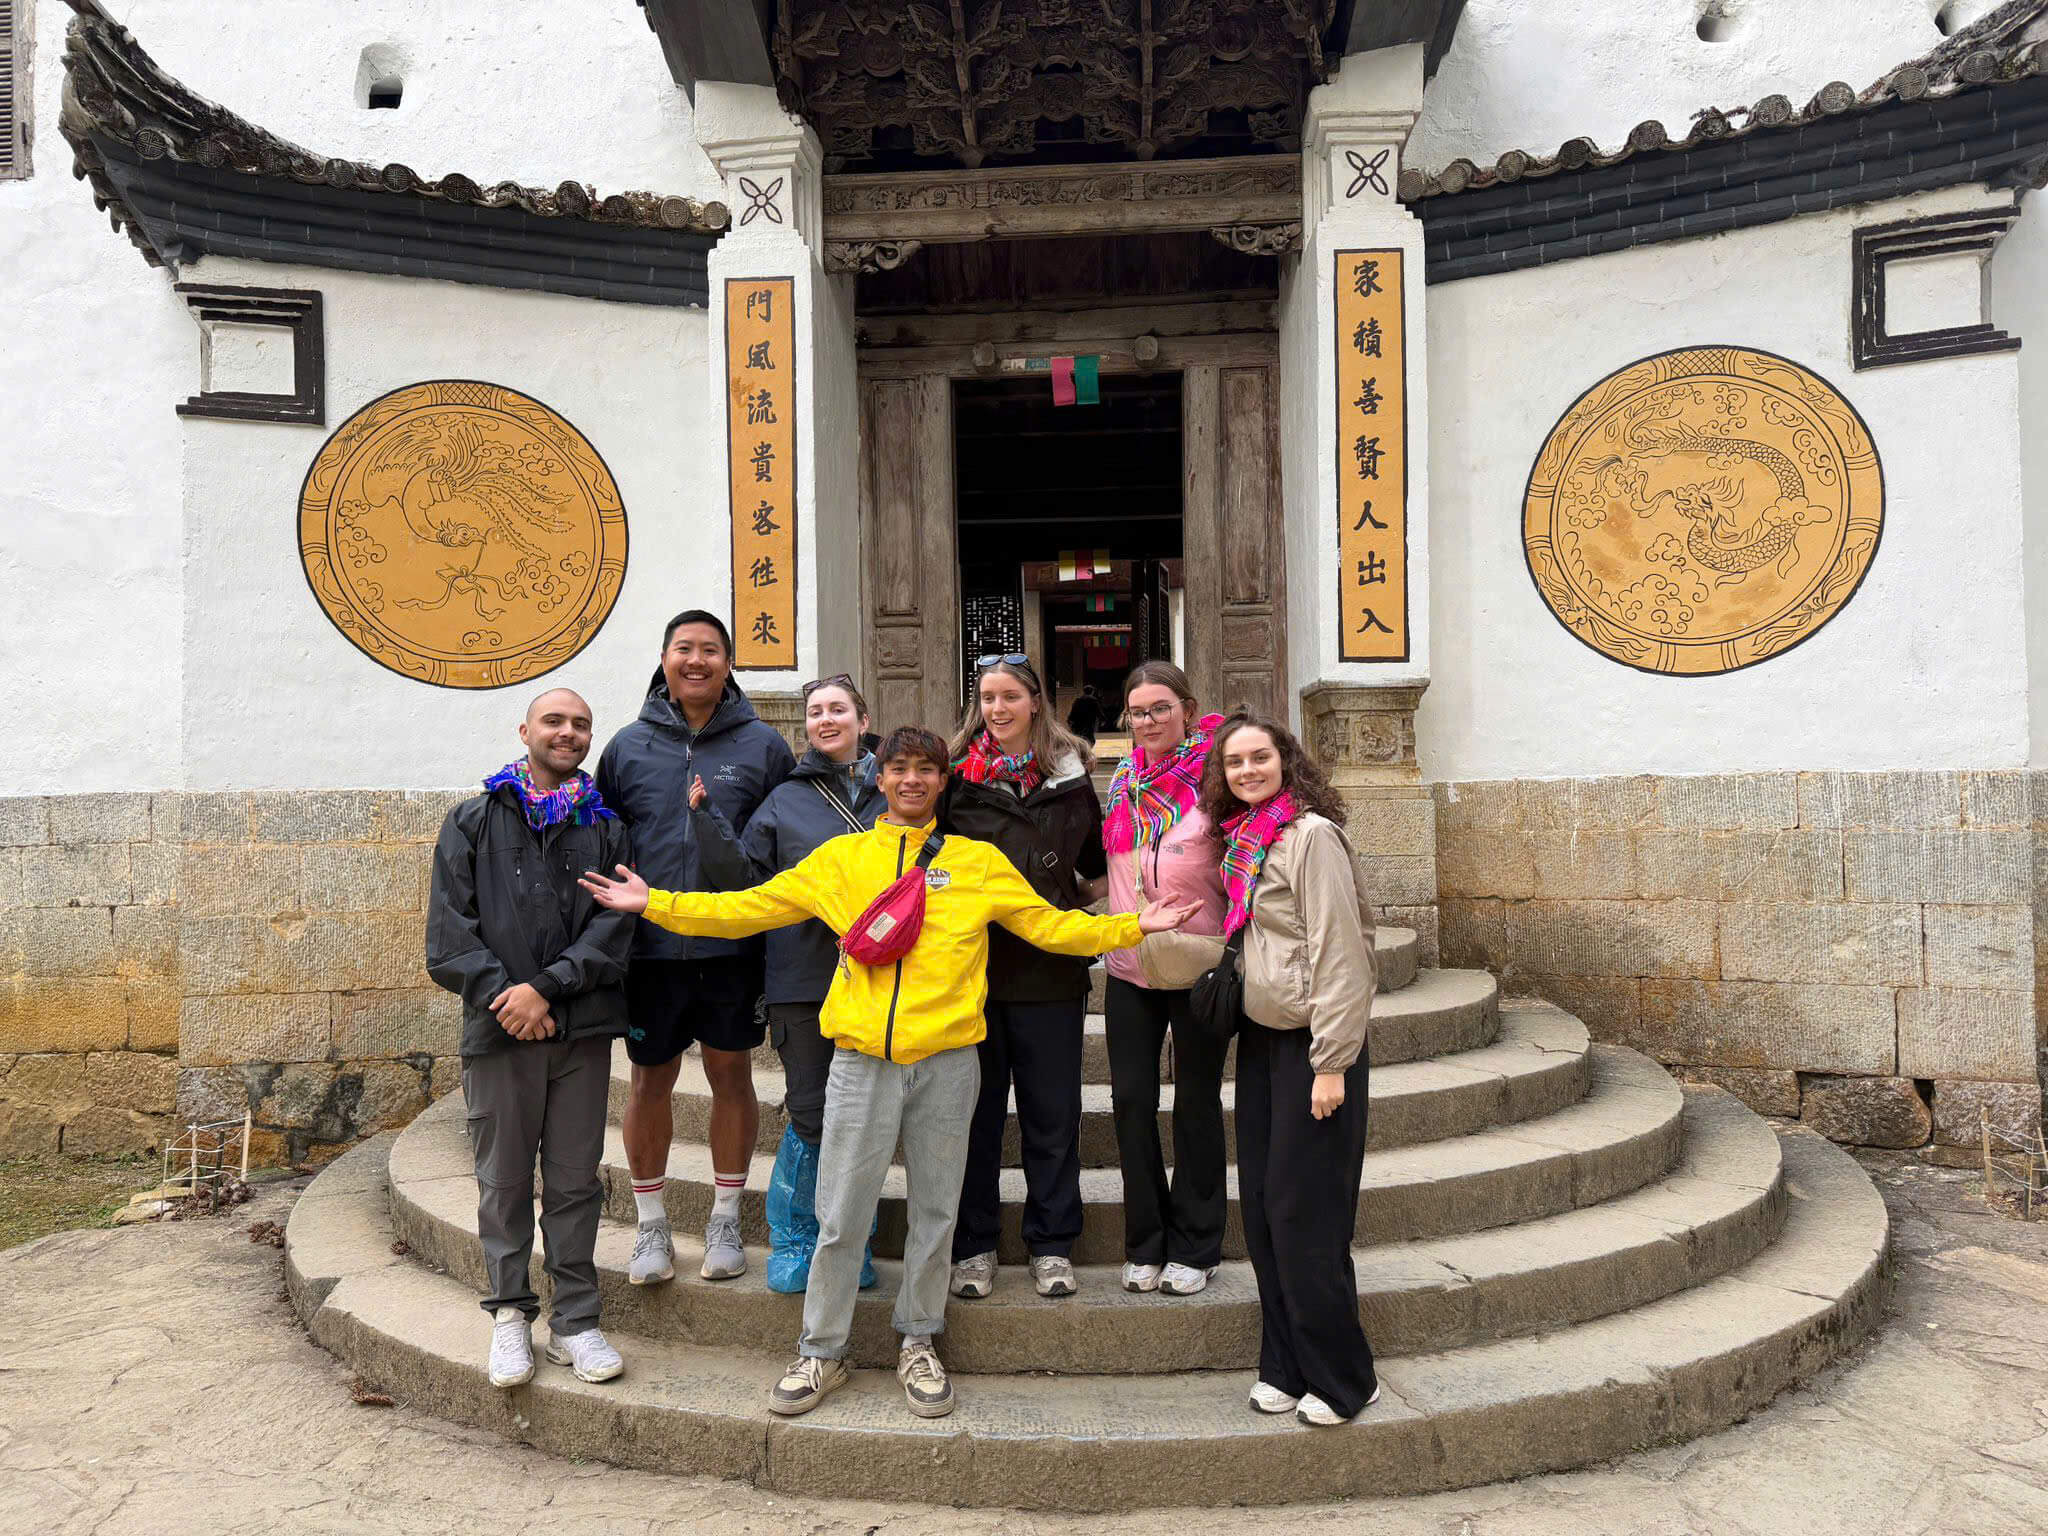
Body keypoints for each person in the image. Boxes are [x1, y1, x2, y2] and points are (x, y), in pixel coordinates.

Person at [580, 726, 1199, 1421]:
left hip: (948, 1061)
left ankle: (919, 1341)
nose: (911, 780)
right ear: (880, 778)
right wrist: (655, 903)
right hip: (860, 1062)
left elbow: (1051, 927)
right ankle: (822, 1348)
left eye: (926, 770)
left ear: (943, 782)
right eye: (899, 768)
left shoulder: (977, 861)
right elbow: (746, 909)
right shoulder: (841, 860)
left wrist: (1132, 926)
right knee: (842, 1214)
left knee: (937, 1213)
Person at [1142, 710, 1381, 1428]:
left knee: (1307, 1216)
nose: (1247, 770)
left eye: (1260, 758)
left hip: (1315, 1048)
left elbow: (1343, 949)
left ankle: (1343, 1376)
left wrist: (1333, 1063)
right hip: (1266, 1041)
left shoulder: (1310, 837)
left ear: (1288, 762)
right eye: (1235, 762)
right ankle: (1284, 1362)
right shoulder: (1249, 838)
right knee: (1270, 1216)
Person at [425, 688, 635, 1390]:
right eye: (555, 721)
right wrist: (506, 996)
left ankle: (575, 1321)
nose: (568, 732)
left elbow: (617, 928)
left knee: (575, 1183)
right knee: (505, 1181)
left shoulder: (607, 826)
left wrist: (547, 988)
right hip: (500, 1033)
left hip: (581, 1030)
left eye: (581, 723)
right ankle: (511, 1314)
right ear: (526, 731)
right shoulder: (473, 821)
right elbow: (449, 937)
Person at [594, 610, 795, 1288]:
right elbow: (602, 840)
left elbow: (782, 845)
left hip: (733, 944)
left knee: (731, 1075)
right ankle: (651, 1226)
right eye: (685, 648)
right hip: (649, 947)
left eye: (711, 650)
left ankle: (726, 1218)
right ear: (664, 657)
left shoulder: (765, 746)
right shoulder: (626, 747)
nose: (697, 660)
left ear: (729, 664)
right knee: (650, 1080)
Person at [692, 673, 884, 1293]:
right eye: (815, 713)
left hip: (886, 980)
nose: (825, 720)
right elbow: (748, 880)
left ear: (861, 717)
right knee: (810, 1112)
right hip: (804, 978)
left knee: (868, 1118)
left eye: (837, 710)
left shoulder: (899, 788)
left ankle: (853, 1244)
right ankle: (798, 1238)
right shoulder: (785, 799)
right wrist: (709, 823)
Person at [941, 655, 1106, 1301]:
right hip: (972, 977)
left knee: (1052, 1117)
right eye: (987, 697)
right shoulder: (956, 782)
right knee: (974, 1120)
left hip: (1051, 974)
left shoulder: (1072, 779)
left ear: (1036, 701)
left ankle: (1052, 1242)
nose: (998, 708)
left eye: (1010, 696)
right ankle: (974, 1245)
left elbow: (1093, 864)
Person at [1098, 663, 1230, 1296]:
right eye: (1137, 711)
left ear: (1187, 708)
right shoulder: (1122, 780)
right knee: (1130, 1102)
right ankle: (1144, 1241)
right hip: (1130, 965)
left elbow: (1247, 862)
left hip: (1200, 963)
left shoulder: (1216, 780)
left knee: (1197, 1101)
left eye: (1159, 709)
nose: (1147, 721)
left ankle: (1198, 1243)